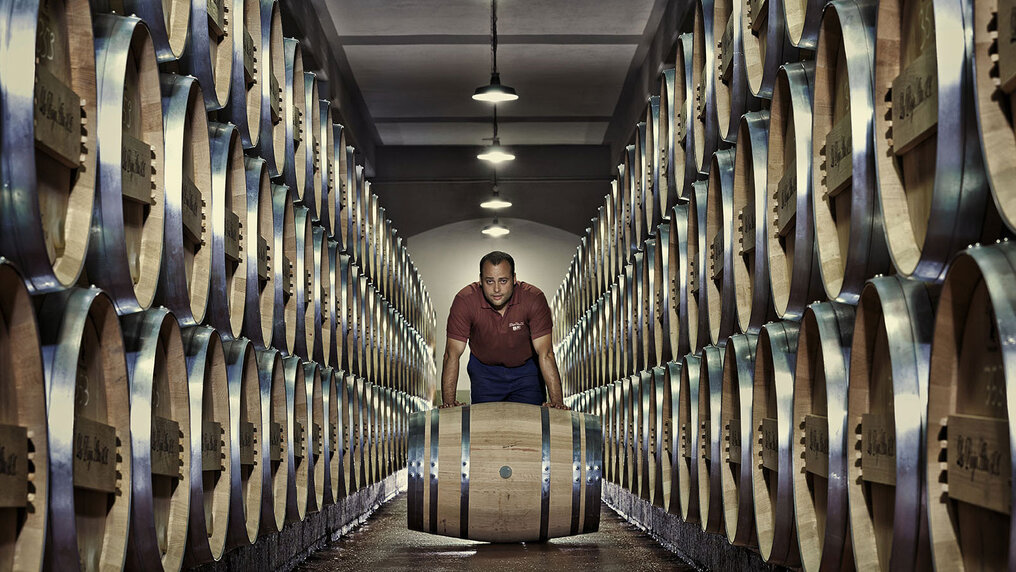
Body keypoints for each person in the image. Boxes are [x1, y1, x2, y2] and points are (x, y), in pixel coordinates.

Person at [440, 251, 569, 410]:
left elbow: (546, 353)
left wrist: (557, 403)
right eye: (489, 281)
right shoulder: (465, 301)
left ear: (514, 279)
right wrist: (449, 403)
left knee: (530, 421)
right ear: (480, 280)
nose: (496, 289)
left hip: (526, 372)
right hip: (484, 372)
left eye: (503, 281)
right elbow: (452, 354)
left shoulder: (533, 298)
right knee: (485, 422)